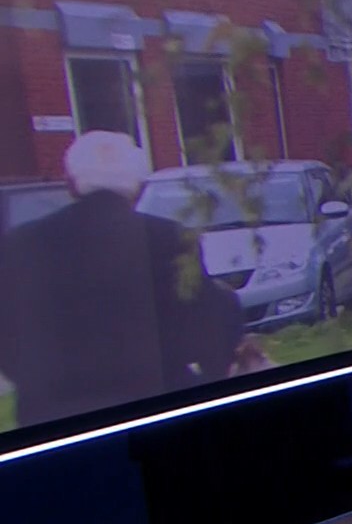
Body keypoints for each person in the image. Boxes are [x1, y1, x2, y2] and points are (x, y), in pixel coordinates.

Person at [0, 131, 245, 429]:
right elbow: (209, 329)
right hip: (155, 415)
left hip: (53, 424)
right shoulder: (170, 238)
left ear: (71, 184)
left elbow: (8, 339)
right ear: (139, 189)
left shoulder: (21, 243)